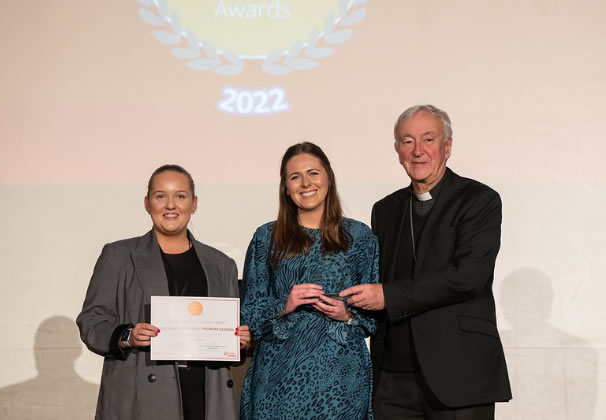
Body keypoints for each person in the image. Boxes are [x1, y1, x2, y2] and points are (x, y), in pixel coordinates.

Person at [341, 105, 512, 419]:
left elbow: (467, 277)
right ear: (397, 150)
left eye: (428, 140)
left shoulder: (479, 200)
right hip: (392, 377)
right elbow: (379, 275)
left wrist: (387, 296)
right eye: (407, 141)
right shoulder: (385, 209)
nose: (417, 151)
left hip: (459, 373)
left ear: (447, 147)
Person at [76, 164, 250, 420]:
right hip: (141, 400)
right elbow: (92, 321)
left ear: (194, 203)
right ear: (147, 203)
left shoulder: (221, 264)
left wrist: (239, 342)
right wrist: (127, 335)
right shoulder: (119, 255)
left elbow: (228, 334)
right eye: (160, 196)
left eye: (180, 196)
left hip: (207, 396)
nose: (171, 205)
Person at [240, 142, 379, 419]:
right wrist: (285, 304)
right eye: (295, 177)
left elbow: (375, 317)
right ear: (286, 187)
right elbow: (249, 317)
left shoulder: (360, 237)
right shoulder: (266, 237)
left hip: (340, 378)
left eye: (313, 173)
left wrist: (348, 315)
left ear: (328, 176)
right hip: (278, 376)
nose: (306, 183)